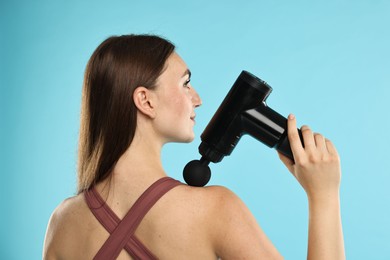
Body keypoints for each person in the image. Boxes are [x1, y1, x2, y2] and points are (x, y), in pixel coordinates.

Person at [43, 34, 345, 259]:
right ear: (145, 101)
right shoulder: (214, 210)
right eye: (185, 84)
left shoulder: (62, 222)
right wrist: (324, 196)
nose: (197, 98)